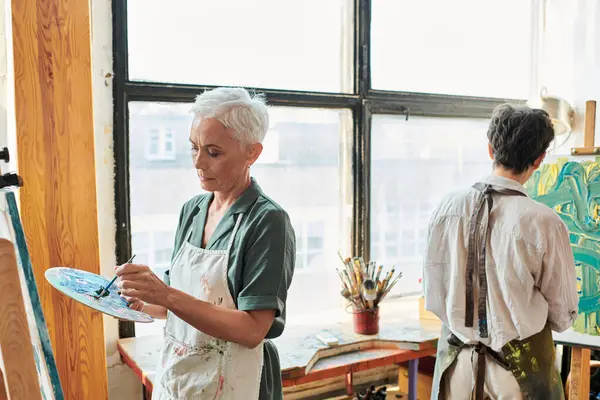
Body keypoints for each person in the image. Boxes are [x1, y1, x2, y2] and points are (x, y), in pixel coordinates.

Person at [115, 87, 296, 400]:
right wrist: (140, 301)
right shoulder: (193, 211)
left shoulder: (267, 221)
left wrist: (166, 294)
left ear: (252, 153)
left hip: (236, 383)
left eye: (214, 152)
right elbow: (179, 300)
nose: (198, 163)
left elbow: (252, 329)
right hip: (182, 380)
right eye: (193, 148)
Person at [423, 104, 579, 400]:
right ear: (540, 159)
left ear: (490, 150)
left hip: (456, 367)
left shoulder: (447, 207)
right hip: (519, 375)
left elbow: (434, 294)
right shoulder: (544, 222)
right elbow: (562, 315)